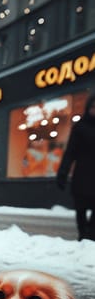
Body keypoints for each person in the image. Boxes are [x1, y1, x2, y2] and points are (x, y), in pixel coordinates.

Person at [57, 94, 95, 241]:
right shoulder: (80, 127)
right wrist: (63, 172)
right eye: (93, 107)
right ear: (88, 108)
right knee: (81, 207)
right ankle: (83, 234)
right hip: (83, 173)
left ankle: (90, 236)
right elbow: (70, 152)